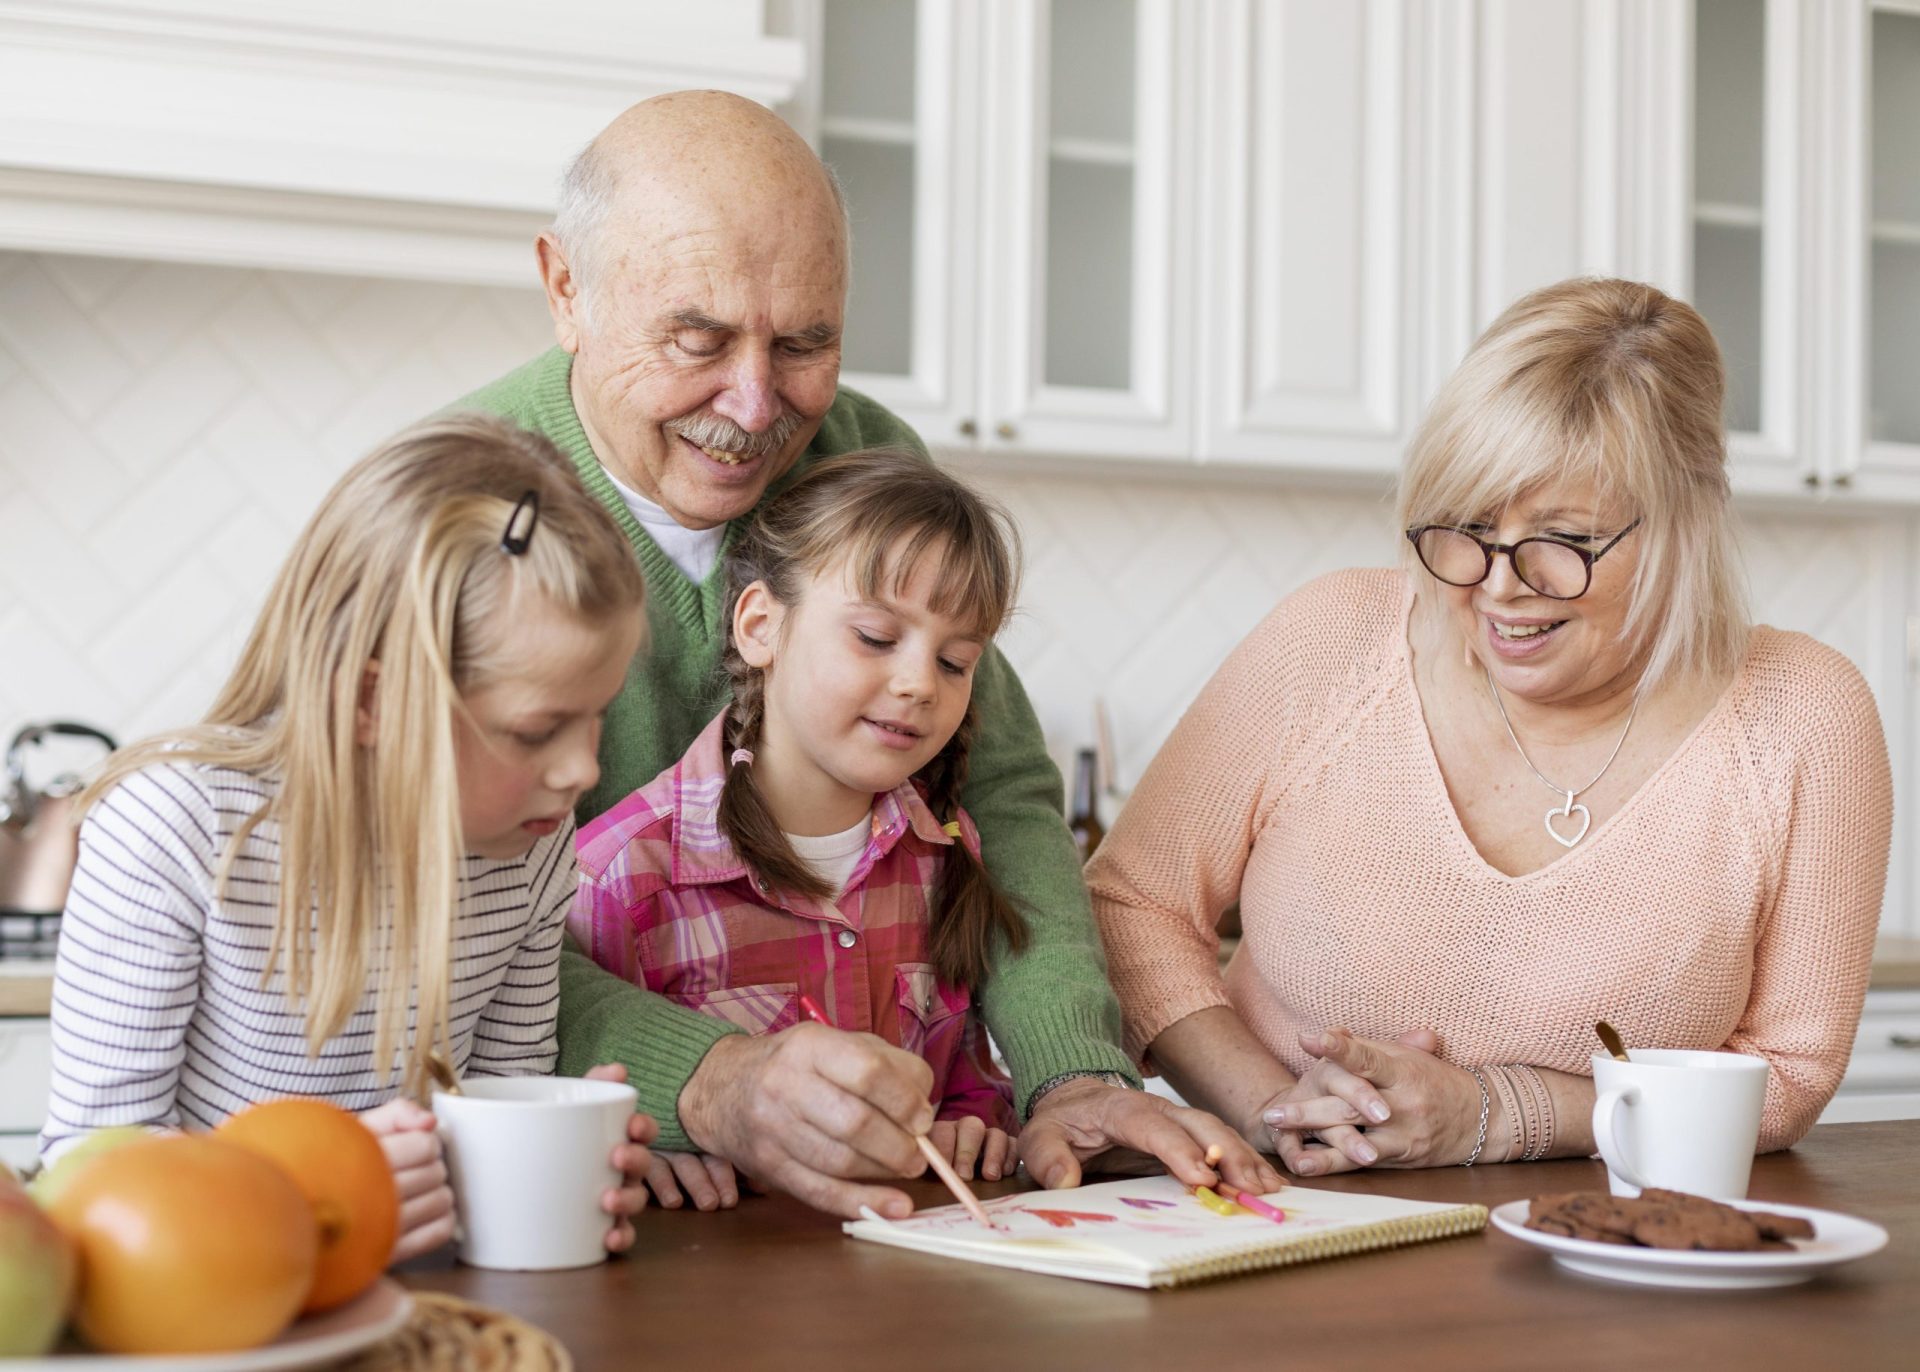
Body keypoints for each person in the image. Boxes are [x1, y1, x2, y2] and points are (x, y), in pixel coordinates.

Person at [456, 89, 1279, 1217]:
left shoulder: (863, 453)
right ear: (566, 289)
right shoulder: (450, 507)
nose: (754, 406)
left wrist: (1069, 1068)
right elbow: (414, 918)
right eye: (698, 340)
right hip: (588, 1184)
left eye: (807, 342)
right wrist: (702, 1076)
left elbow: (1000, 796)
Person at [1089, 277, 1892, 1175]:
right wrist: (1278, 1111)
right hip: (1284, 1202)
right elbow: (1132, 904)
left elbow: (1788, 1072)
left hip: (1611, 1253)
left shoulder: (1803, 717)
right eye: (1468, 522)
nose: (1498, 584)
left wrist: (1498, 1113)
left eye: (1565, 539)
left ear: (1689, 520)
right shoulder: (1331, 641)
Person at [41, 415, 659, 1261]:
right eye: (535, 730)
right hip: (216, 1311)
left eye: (596, 716)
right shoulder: (173, 828)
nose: (582, 771)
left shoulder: (532, 842)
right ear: (373, 701)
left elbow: (481, 1116)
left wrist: (553, 1165)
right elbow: (85, 1173)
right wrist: (318, 1186)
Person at [573, 451, 1044, 1194]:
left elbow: (966, 1084)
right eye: (877, 638)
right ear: (761, 626)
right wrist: (643, 1141)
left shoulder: (947, 856)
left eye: (955, 662)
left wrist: (968, 1124)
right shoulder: (621, 874)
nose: (920, 683)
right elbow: (558, 1093)